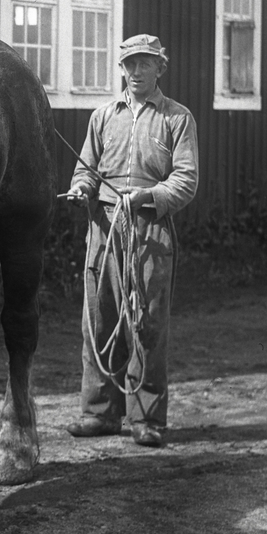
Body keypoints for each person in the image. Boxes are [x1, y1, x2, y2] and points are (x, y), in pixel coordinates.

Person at [63, 33, 198, 447]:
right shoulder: (103, 116)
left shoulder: (177, 119)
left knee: (147, 321)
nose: (136, 71)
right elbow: (86, 169)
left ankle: (147, 418)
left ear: (161, 68)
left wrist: (147, 196)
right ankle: (100, 413)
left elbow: (186, 180)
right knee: (99, 318)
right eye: (129, 64)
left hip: (150, 228)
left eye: (145, 63)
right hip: (104, 227)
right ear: (121, 69)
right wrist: (82, 188)